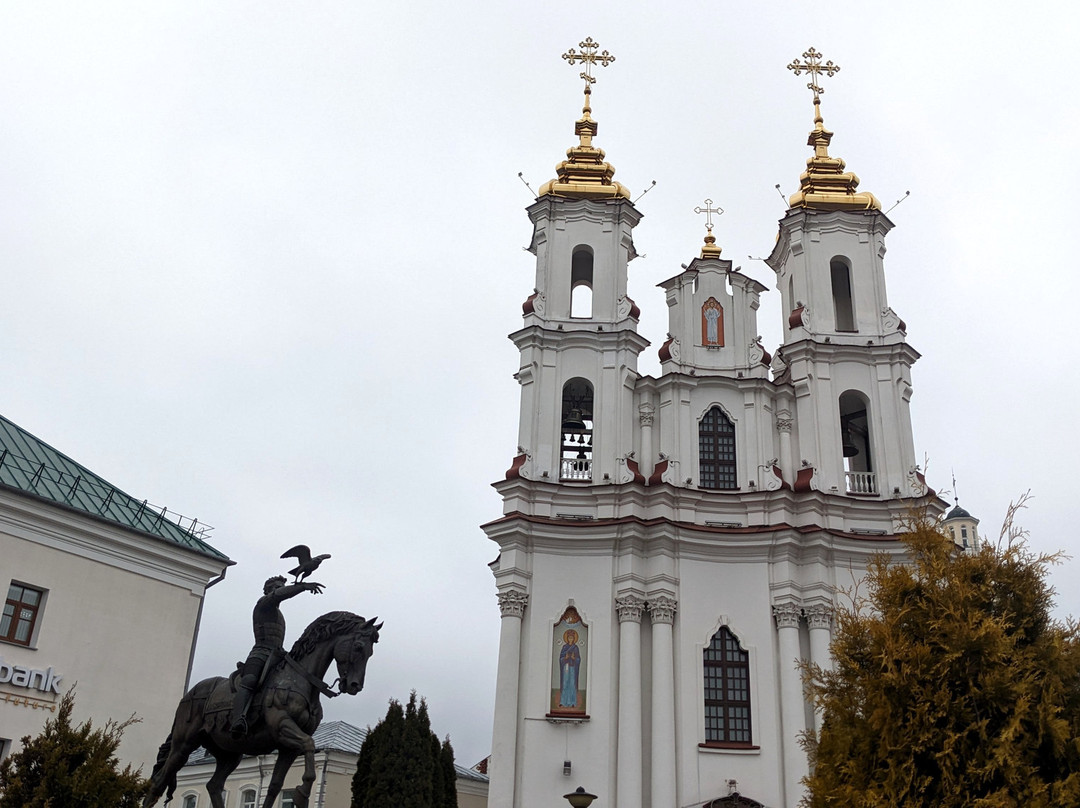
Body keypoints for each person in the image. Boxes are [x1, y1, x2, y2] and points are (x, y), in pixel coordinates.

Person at [228, 575, 323, 737]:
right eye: (276, 587)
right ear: (268, 590)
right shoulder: (263, 604)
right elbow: (279, 595)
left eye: (281, 586)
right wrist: (303, 586)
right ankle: (238, 719)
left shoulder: (279, 614)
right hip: (260, 652)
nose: (279, 589)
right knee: (250, 680)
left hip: (278, 654)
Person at [559, 629, 581, 708]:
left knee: (572, 684)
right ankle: (563, 701)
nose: (570, 639)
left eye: (572, 638)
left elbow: (578, 659)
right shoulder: (564, 647)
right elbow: (561, 658)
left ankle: (572, 702)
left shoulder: (575, 648)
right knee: (565, 683)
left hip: (573, 668)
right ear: (567, 638)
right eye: (569, 638)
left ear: (574, 639)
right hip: (566, 667)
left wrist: (574, 658)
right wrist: (565, 657)